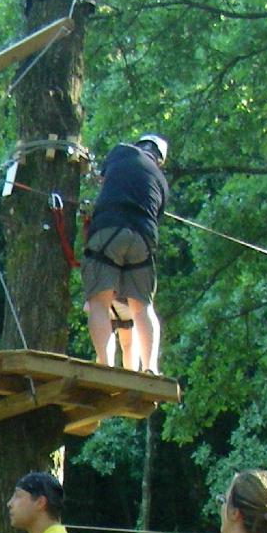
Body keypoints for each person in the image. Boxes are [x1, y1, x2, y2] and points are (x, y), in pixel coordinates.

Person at [81, 134, 168, 374]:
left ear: (139, 145)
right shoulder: (161, 181)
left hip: (109, 226)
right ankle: (150, 368)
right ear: (159, 160)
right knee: (142, 307)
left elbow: (103, 179)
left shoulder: (121, 152)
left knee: (99, 302)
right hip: (144, 236)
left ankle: (105, 365)